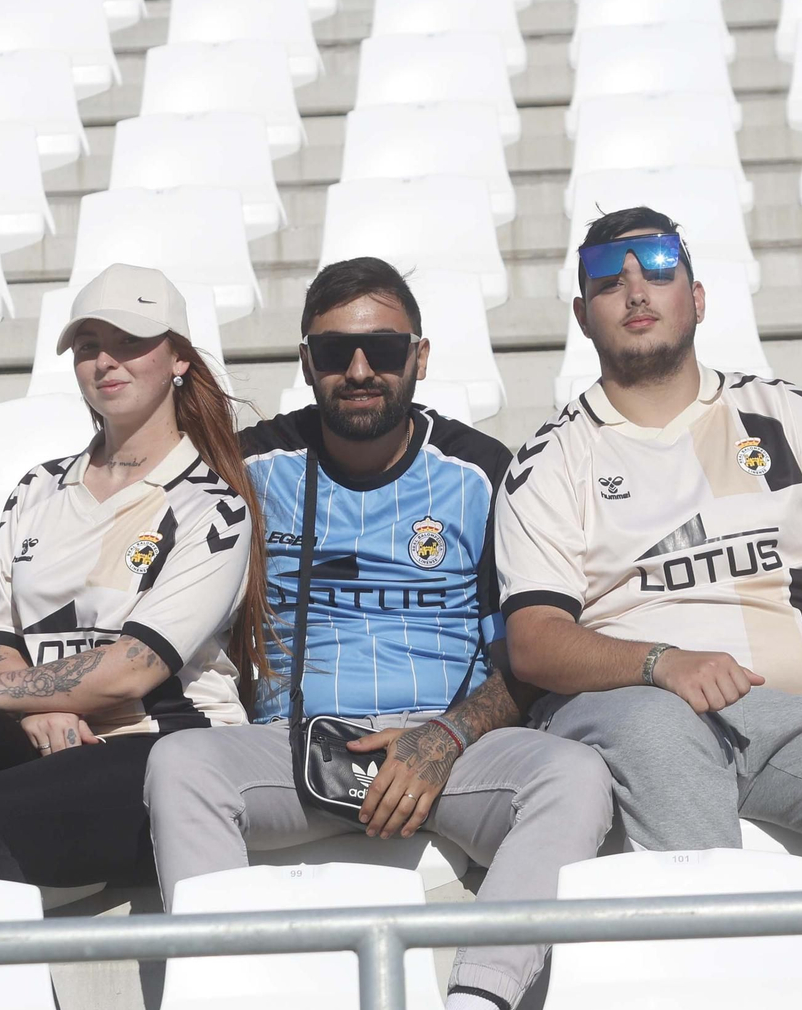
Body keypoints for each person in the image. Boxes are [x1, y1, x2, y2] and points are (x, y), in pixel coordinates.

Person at [496, 207, 802, 1010]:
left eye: (656, 266)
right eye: (606, 278)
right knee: (659, 730)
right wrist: (660, 664)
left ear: (697, 294)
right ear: (582, 315)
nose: (634, 289)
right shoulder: (553, 459)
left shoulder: (780, 413)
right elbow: (536, 641)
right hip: (634, 707)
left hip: (797, 715)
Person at [145, 258, 614, 1010]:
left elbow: (533, 650)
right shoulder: (247, 467)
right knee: (179, 766)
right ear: (306, 364)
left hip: (448, 753)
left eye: (385, 350)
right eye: (333, 353)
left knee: (574, 776)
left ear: (419, 358)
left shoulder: (485, 472)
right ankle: (226, 996)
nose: (359, 370)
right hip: (298, 751)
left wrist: (444, 738)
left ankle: (477, 1000)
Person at [0, 264, 272, 887]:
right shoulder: (36, 490)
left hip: (161, 749)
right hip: (44, 750)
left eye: (130, 343)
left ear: (179, 358)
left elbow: (133, 669)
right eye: (89, 346)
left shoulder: (213, 504)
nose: (106, 362)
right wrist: (28, 712)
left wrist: (1, 695)